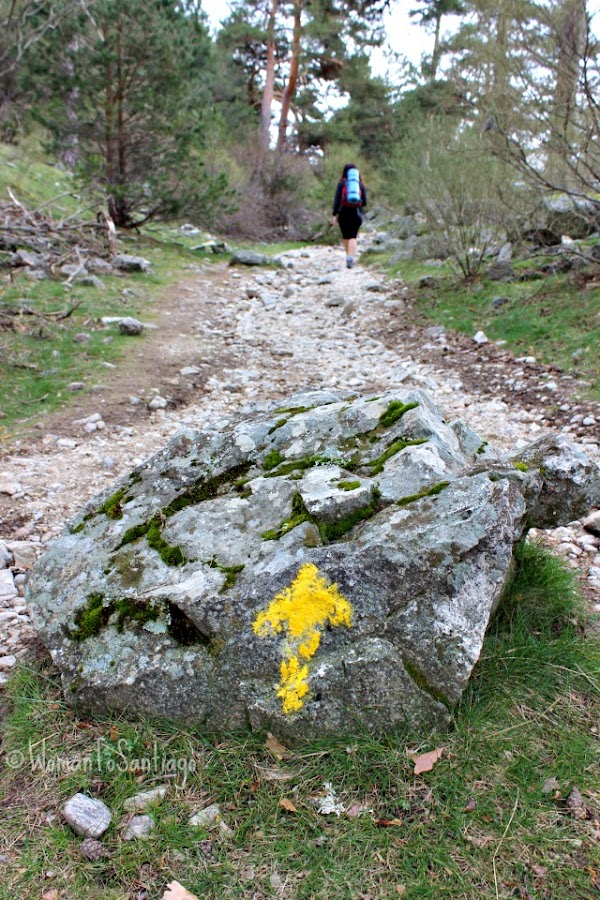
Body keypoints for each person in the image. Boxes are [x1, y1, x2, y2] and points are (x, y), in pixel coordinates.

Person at [331, 163, 368, 268]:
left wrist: (334, 215)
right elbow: (365, 202)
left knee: (346, 236)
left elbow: (337, 200)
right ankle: (350, 258)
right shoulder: (360, 184)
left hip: (343, 213)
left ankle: (348, 257)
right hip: (356, 213)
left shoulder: (341, 183)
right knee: (353, 236)